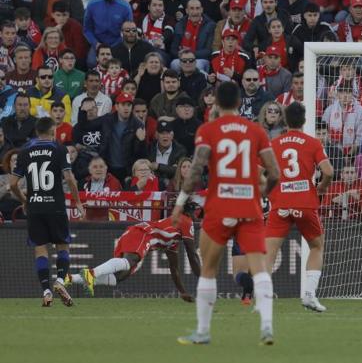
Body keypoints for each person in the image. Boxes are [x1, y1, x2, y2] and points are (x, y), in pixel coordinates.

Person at [173, 81, 280, 345]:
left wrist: (180, 202)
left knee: (208, 268)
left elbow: (196, 169)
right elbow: (274, 173)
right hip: (249, 207)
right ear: (240, 101)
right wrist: (263, 194)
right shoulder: (255, 130)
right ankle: (266, 326)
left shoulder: (208, 129)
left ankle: (203, 331)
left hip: (219, 206)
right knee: (260, 269)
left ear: (217, 102)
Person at [264, 102, 333, 311]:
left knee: (269, 251)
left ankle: (264, 296)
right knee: (317, 246)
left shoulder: (274, 143)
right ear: (304, 120)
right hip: (304, 203)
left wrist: (268, 192)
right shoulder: (312, 143)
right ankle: (309, 295)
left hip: (281, 203)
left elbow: (259, 172)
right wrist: (321, 187)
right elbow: (328, 171)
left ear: (284, 120)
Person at [9, 117, 85, 307]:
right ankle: (60, 281)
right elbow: (69, 178)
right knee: (62, 245)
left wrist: (24, 200)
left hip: (35, 207)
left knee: (40, 249)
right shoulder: (59, 148)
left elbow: (12, 184)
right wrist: (77, 201)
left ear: (36, 131)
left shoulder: (25, 150)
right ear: (53, 131)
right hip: (56, 206)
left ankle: (46, 291)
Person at [68, 201, 200, 301]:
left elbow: (174, 268)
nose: (195, 216)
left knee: (120, 276)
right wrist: (204, 278)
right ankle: (91, 273)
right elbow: (192, 254)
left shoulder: (173, 239)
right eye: (194, 212)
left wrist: (182, 292)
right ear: (188, 212)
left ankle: (69, 278)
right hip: (142, 233)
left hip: (134, 232)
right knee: (130, 261)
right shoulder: (186, 221)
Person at [83, 0, 133, 68]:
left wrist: (117, 44)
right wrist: (96, 43)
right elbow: (87, 29)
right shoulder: (92, 5)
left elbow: (128, 30)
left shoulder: (125, 7)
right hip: (98, 43)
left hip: (118, 43)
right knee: (91, 62)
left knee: (122, 64)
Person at [147, 120, 187, 185]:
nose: (165, 136)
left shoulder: (180, 150)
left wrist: (159, 166)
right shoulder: (149, 148)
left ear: (172, 135)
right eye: (162, 133)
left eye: (168, 133)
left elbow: (180, 170)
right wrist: (170, 168)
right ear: (156, 135)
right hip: (152, 184)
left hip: (173, 186)